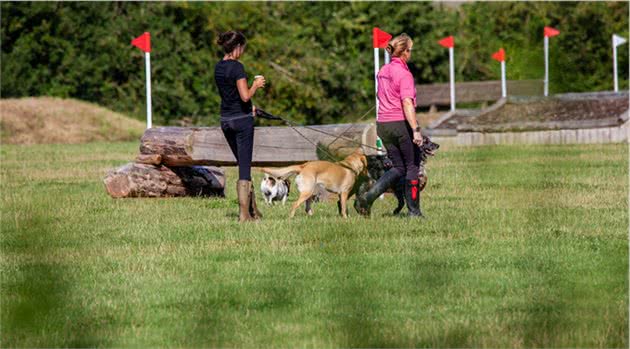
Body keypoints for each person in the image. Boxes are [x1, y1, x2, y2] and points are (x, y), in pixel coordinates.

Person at [355, 33, 423, 217]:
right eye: (410, 50)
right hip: (400, 123)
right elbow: (407, 103)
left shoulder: (383, 71)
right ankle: (414, 212)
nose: (411, 53)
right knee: (412, 167)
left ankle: (368, 198)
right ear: (405, 52)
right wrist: (416, 130)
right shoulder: (404, 74)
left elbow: (380, 96)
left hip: (383, 125)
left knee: (398, 167)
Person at [214, 30, 266, 222]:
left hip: (226, 120)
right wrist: (256, 85)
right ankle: (244, 214)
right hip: (241, 122)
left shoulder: (218, 67)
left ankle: (253, 210)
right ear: (236, 48)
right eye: (242, 48)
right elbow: (244, 95)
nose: (243, 52)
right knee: (244, 167)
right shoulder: (237, 68)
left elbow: (230, 95)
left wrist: (249, 107)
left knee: (243, 163)